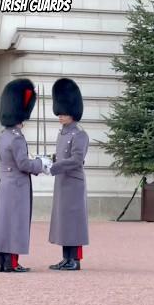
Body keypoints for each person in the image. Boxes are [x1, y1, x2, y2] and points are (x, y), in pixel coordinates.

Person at [0, 78, 53, 272]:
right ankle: (12, 263)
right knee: (15, 223)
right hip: (17, 185)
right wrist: (41, 164)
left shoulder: (3, 135)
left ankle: (1, 262)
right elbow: (24, 164)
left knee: (3, 223)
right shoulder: (16, 138)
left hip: (5, 183)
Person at [47, 78, 89, 271]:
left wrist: (54, 167)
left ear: (72, 112)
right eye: (59, 112)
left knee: (73, 222)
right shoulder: (63, 133)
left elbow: (76, 160)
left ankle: (75, 259)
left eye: (63, 113)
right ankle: (66, 257)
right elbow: (60, 155)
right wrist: (48, 160)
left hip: (73, 182)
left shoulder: (79, 134)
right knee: (63, 221)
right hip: (62, 182)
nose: (60, 116)